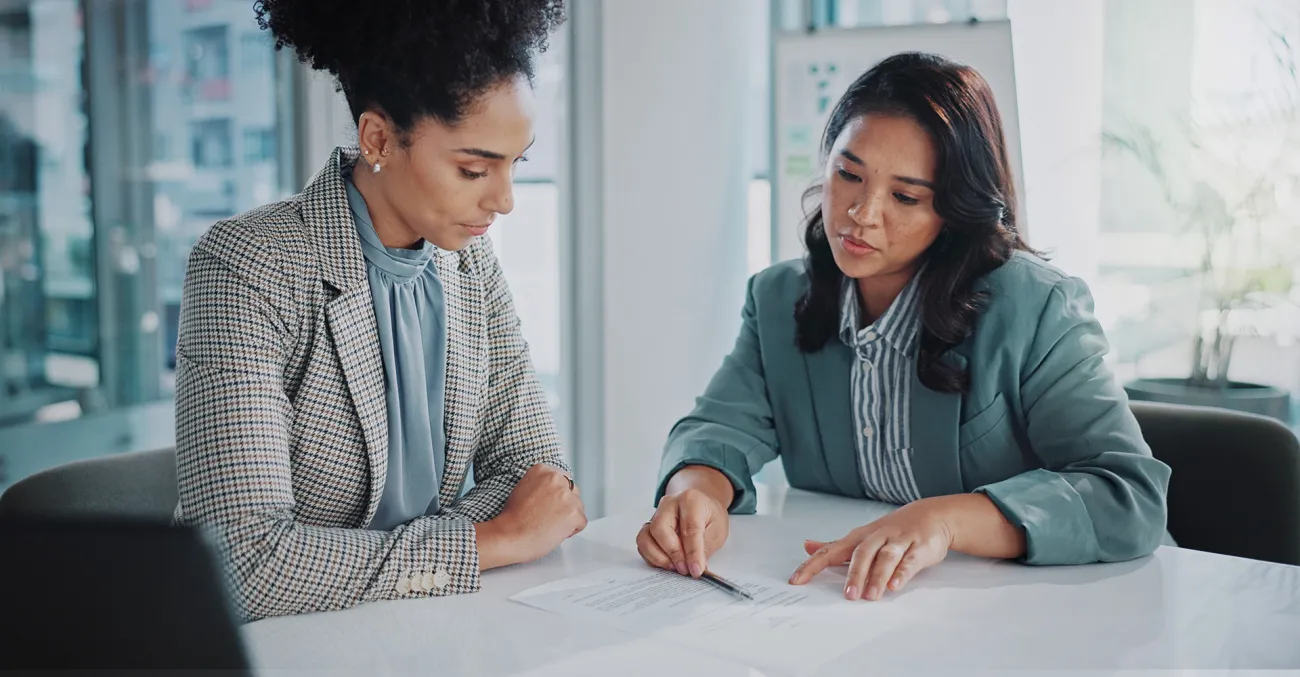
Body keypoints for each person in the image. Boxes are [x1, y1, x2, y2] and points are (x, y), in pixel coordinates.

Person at [638, 52, 1171, 602]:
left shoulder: (1038, 307)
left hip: (1060, 607)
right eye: (848, 175)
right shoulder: (778, 298)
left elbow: (1127, 496)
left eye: (905, 197)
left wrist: (946, 521)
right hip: (855, 609)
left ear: (955, 209)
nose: (861, 214)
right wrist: (695, 488)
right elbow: (720, 428)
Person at [174, 0, 584, 622]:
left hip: (423, 628)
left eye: (515, 163)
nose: (504, 201)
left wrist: (362, 561)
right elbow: (241, 564)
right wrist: (489, 540)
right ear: (378, 138)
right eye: (474, 169)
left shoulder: (469, 265)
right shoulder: (248, 268)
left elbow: (538, 477)